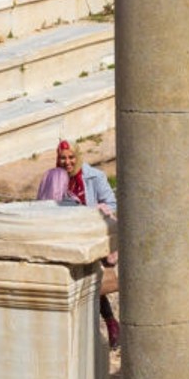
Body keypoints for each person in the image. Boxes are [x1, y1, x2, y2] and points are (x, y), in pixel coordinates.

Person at [39, 140, 121, 346]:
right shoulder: (54, 178)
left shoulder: (95, 176)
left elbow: (111, 203)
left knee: (91, 282)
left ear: (78, 157)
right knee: (81, 283)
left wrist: (94, 211)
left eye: (71, 157)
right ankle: (99, 327)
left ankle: (109, 323)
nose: (67, 162)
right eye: (62, 158)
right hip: (66, 238)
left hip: (90, 235)